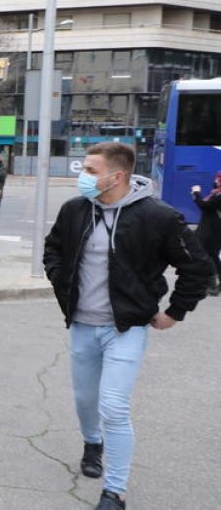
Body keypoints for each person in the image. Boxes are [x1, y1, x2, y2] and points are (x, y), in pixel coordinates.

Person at [43, 142, 214, 510]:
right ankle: (92, 443)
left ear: (116, 176)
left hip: (127, 327)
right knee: (85, 400)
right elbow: (52, 249)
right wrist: (62, 284)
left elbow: (197, 267)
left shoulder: (158, 216)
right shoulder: (74, 210)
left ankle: (114, 491)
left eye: (90, 170)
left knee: (114, 407)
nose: (82, 177)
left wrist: (175, 312)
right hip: (82, 326)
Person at [191, 171, 221, 296]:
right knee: (208, 255)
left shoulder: (219, 196)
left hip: (213, 231)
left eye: (218, 179)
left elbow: (206, 206)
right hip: (208, 229)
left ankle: (212, 282)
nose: (215, 181)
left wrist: (196, 193)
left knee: (209, 255)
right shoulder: (216, 193)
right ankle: (208, 282)